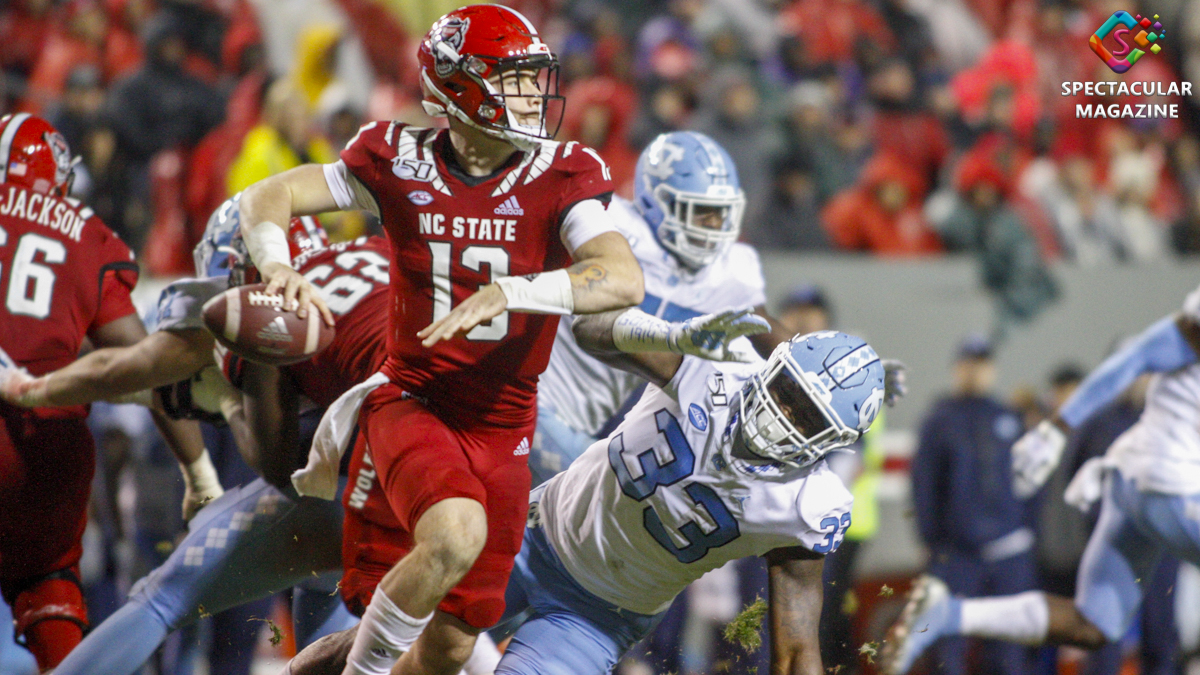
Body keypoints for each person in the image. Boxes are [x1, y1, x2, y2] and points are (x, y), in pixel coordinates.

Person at [235, 6, 645, 674]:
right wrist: (277, 264)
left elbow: (622, 277)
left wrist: (516, 289)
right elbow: (265, 198)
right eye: (511, 79)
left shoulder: (563, 169)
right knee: (455, 532)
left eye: (532, 77)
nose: (532, 94)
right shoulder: (395, 156)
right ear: (458, 88)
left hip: (507, 427)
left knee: (452, 645)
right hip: (412, 400)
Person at [286, 321, 893, 675]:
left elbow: (795, 647)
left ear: (831, 440)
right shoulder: (714, 365)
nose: (782, 414)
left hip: (599, 617)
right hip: (528, 537)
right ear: (774, 367)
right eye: (787, 392)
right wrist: (673, 332)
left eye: (805, 414)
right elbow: (594, 331)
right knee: (381, 647)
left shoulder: (808, 505)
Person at [1, 195, 361, 675]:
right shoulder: (363, 265)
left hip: (341, 492)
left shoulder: (265, 308)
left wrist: (32, 388)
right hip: (409, 489)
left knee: (163, 598)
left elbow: (124, 368)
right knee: (325, 593)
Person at [882, 293, 1200, 674]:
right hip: (1167, 481)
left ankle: (949, 613)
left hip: (1132, 478)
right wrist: (1058, 427)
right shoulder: (943, 417)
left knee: (1093, 624)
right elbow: (1139, 356)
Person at [0, 113, 147, 671]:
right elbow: (138, 359)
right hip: (42, 437)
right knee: (49, 584)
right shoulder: (84, 229)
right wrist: (199, 471)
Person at [903, 334, 1036, 675]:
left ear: (992, 370)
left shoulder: (1007, 417)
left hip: (1009, 552)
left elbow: (1030, 480)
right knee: (949, 651)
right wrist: (932, 544)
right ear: (956, 370)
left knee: (1008, 653)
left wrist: (1027, 532)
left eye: (982, 365)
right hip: (957, 553)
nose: (975, 372)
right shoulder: (939, 420)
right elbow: (924, 486)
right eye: (968, 365)